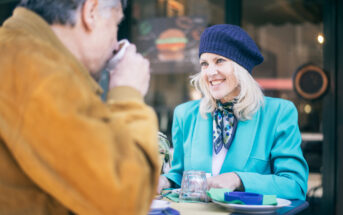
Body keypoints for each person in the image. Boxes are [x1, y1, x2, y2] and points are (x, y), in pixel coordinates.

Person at [0, 0, 159, 214]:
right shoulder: (39, 71)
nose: (115, 44)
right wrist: (128, 92)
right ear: (91, 12)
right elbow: (125, 199)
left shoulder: (18, 51)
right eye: (115, 24)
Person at [158, 24, 309, 200]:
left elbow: (295, 186)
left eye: (219, 60)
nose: (210, 72)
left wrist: (238, 180)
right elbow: (179, 176)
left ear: (241, 67)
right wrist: (164, 182)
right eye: (204, 64)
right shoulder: (185, 114)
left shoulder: (278, 113)